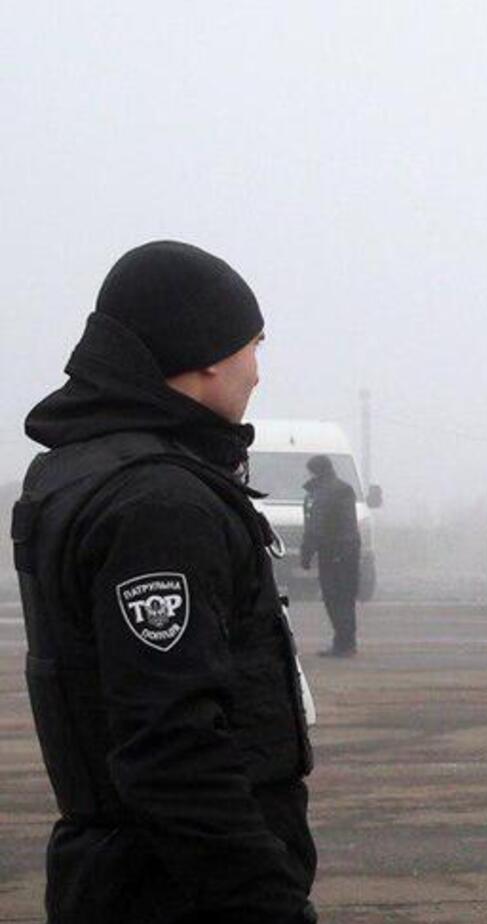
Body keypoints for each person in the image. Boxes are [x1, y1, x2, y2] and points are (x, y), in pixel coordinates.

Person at [13, 241, 317, 922]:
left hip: (124, 872)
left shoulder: (86, 469)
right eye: (253, 347)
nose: (258, 371)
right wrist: (264, 901)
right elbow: (172, 747)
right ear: (206, 354)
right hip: (174, 889)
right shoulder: (159, 505)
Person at [300, 454, 361, 657]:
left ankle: (344, 644)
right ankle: (345, 642)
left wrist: (306, 553)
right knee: (345, 598)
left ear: (316, 471)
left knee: (335, 598)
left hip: (334, 551)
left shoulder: (324, 492)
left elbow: (315, 526)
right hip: (347, 551)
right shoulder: (341, 488)